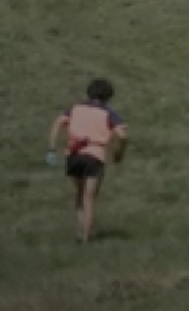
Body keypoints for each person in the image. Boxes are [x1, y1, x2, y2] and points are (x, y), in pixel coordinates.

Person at [46, 79, 129, 244]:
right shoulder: (108, 113)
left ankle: (79, 232)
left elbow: (58, 123)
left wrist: (52, 148)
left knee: (79, 195)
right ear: (108, 97)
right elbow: (122, 135)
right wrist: (119, 153)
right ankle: (87, 237)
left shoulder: (75, 108)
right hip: (94, 156)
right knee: (89, 197)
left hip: (74, 155)